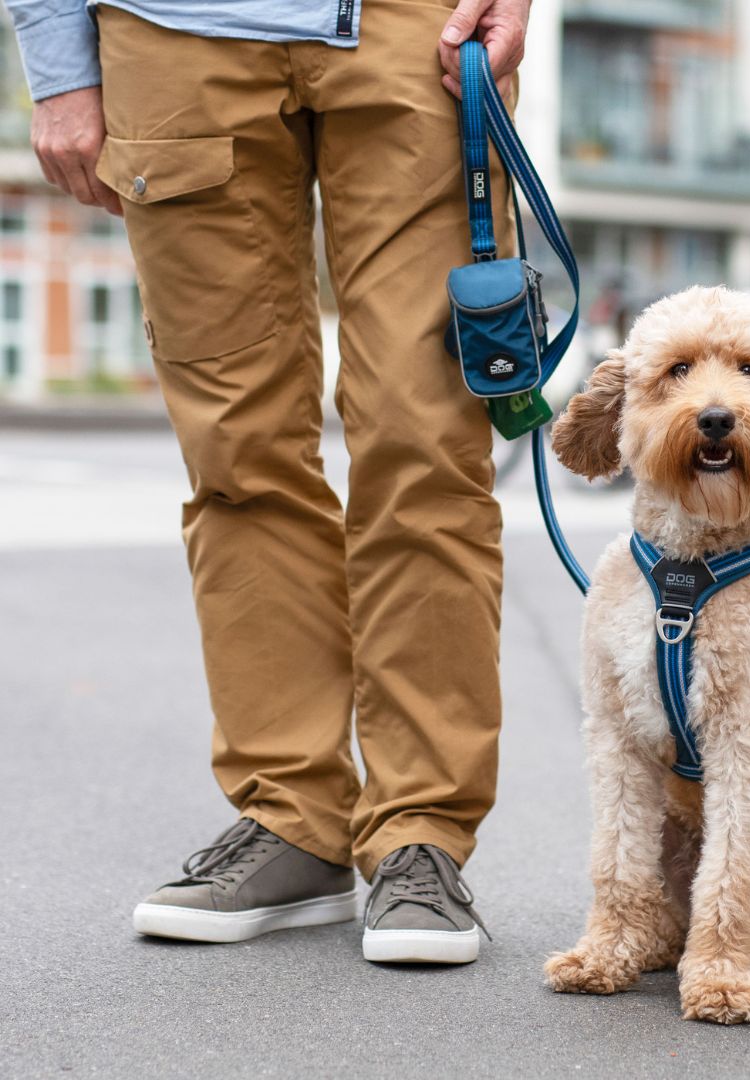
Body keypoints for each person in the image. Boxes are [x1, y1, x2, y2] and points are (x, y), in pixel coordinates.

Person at [6, 0, 531, 964]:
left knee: (425, 442)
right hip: (173, 32)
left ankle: (420, 832)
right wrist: (57, 56)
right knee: (236, 455)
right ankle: (292, 819)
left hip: (416, 28)